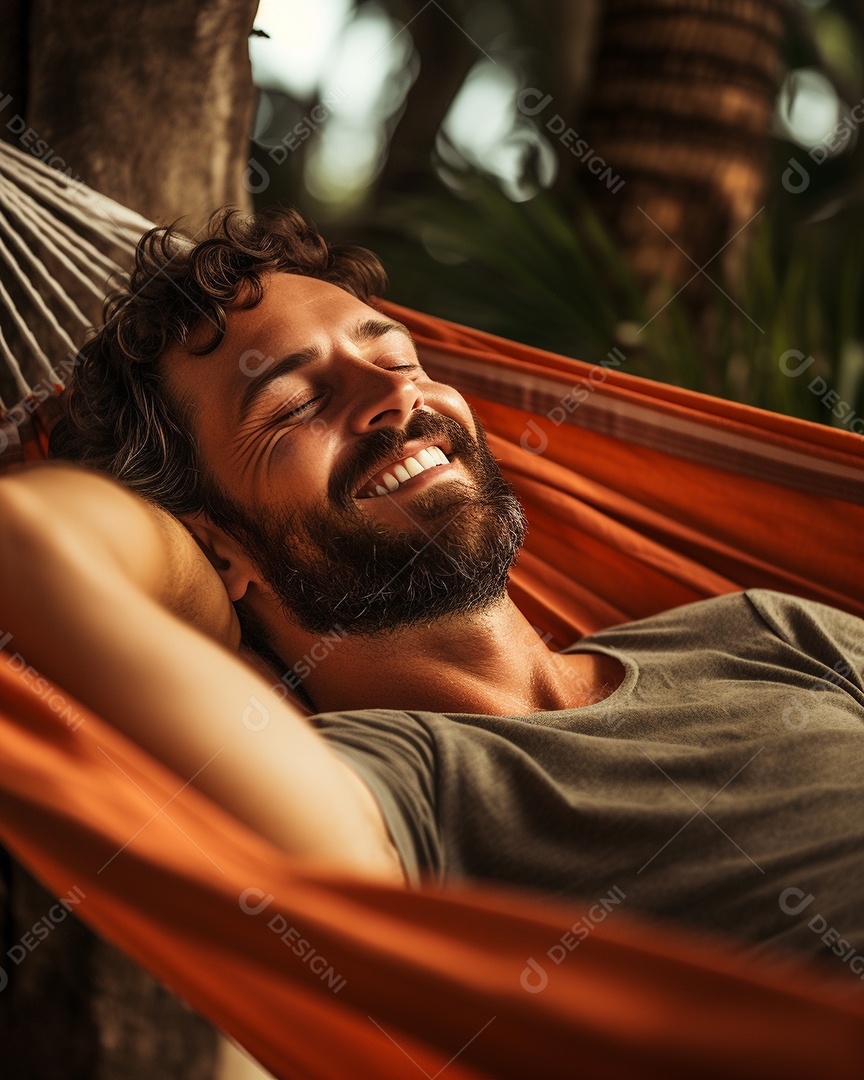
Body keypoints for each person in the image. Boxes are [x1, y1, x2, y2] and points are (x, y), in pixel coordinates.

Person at [2, 207, 863, 981]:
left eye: (396, 356)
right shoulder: (389, 789)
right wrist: (200, 552)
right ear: (213, 547)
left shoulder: (759, 630)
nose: (395, 397)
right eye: (297, 403)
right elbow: (28, 538)